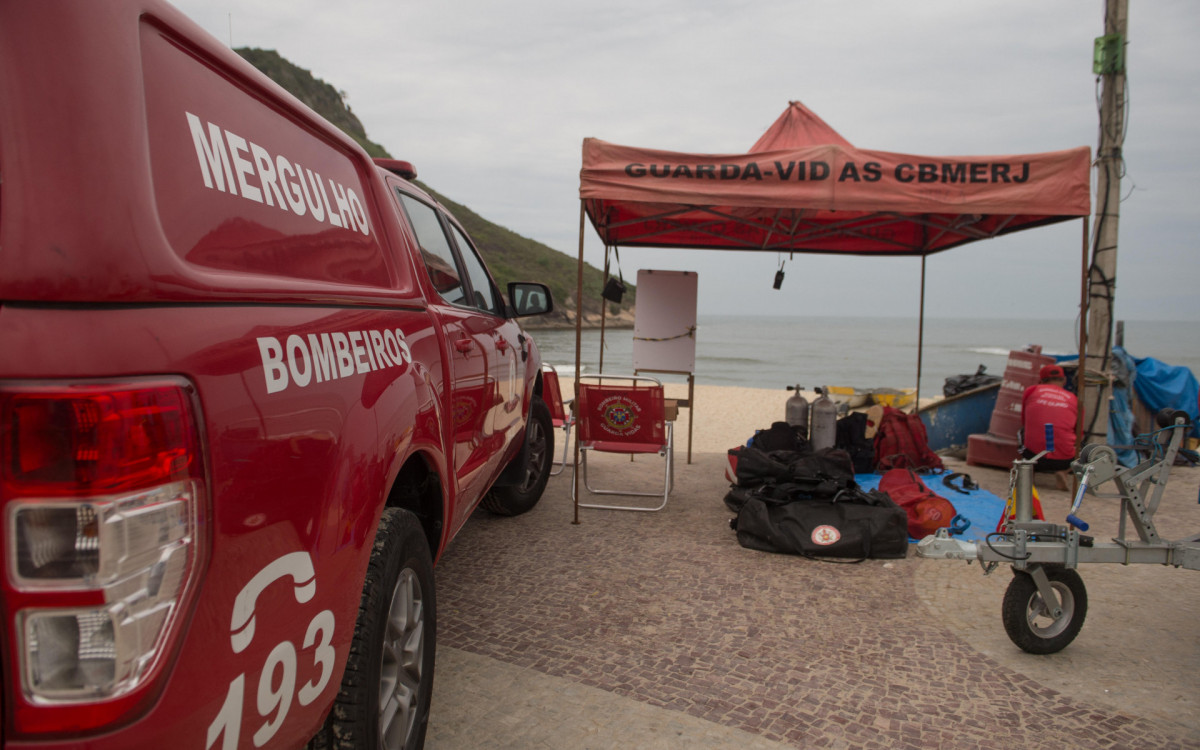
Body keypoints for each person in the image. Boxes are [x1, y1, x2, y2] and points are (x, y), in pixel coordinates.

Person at [1021, 364, 1078, 489]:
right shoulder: (1073, 398)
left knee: (1023, 433)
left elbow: (1024, 421)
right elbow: (1079, 431)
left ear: (1041, 381)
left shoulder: (1031, 391)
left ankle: (1031, 471)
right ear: (1064, 380)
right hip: (1064, 460)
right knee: (1080, 444)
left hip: (1033, 456)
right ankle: (1062, 472)